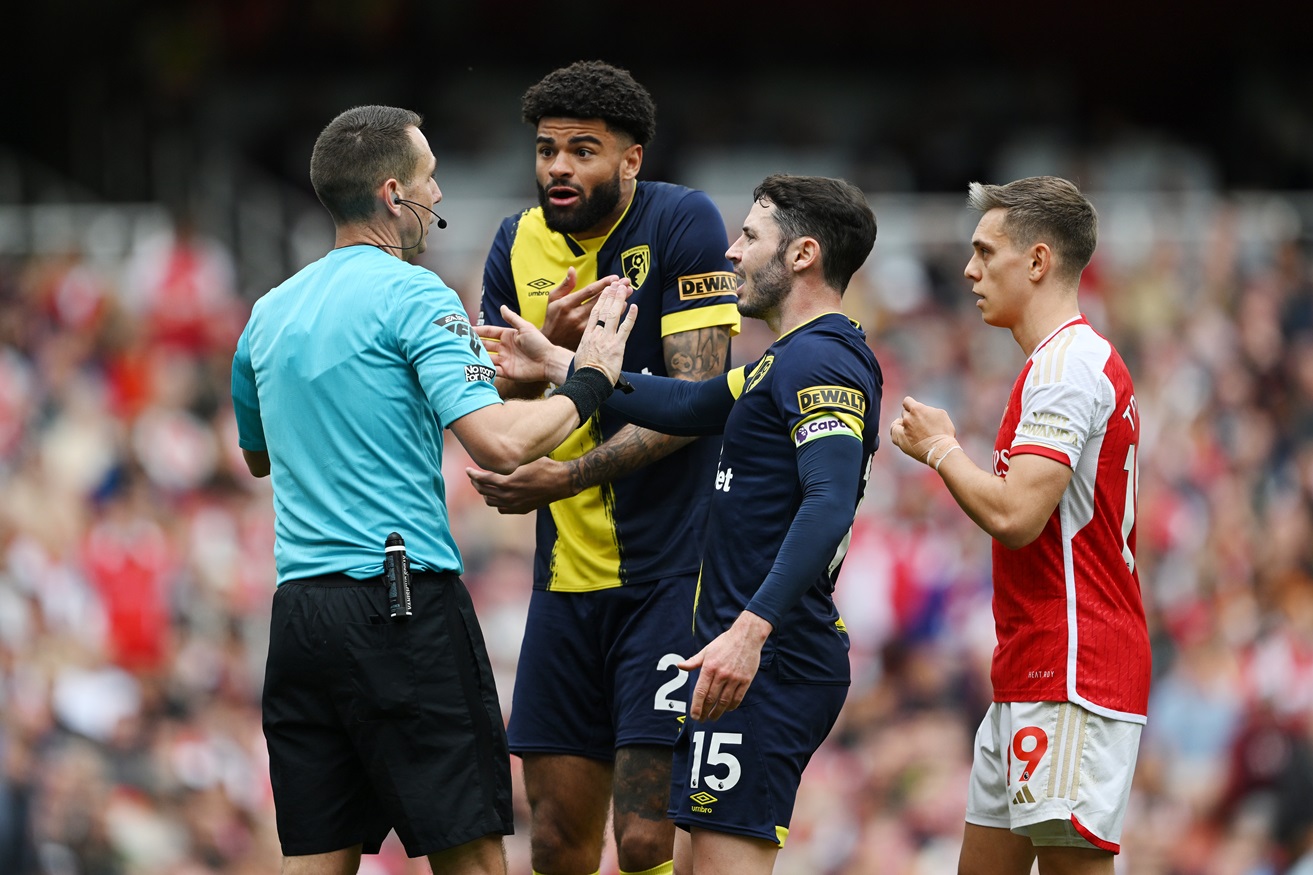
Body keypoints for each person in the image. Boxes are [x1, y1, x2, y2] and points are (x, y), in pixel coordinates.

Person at [229, 104, 638, 875]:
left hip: (300, 615)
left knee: (315, 860)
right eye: (430, 180)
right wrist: (588, 377)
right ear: (393, 193)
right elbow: (501, 446)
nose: (440, 196)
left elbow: (258, 457)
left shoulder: (265, 314)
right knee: (472, 859)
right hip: (397, 600)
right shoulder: (415, 295)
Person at [480, 174, 881, 875]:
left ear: (802, 255)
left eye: (751, 236)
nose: (730, 252)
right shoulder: (778, 363)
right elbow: (687, 404)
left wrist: (750, 632)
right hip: (736, 660)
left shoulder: (823, 360)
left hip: (768, 658)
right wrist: (563, 364)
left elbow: (828, 500)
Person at [471, 61, 740, 875]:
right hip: (564, 580)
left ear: (630, 159)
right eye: (547, 149)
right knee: (554, 842)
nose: (558, 167)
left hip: (671, 575)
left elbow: (698, 404)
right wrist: (535, 365)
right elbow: (500, 408)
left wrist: (567, 471)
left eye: (582, 150)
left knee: (647, 837)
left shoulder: (682, 220)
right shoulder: (513, 244)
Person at [889, 176, 1150, 875]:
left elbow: (1015, 514)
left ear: (1036, 261)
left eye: (984, 251)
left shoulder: (1068, 364)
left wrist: (941, 450)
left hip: (1072, 666)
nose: (969, 270)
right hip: (1031, 664)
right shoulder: (1052, 363)